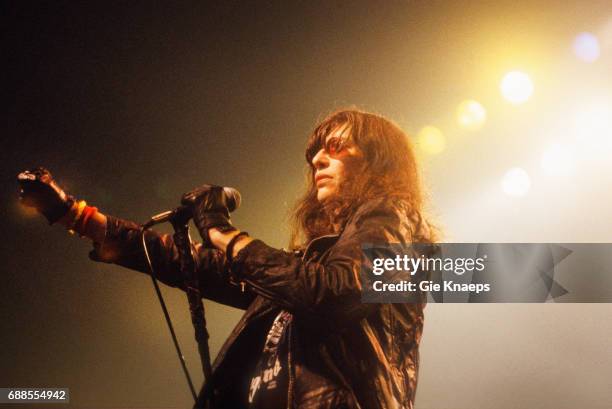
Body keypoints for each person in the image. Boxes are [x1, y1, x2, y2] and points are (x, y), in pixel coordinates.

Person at [18, 108, 438, 409]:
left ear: (378, 160)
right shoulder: (304, 269)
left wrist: (223, 232)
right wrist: (75, 214)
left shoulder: (394, 217)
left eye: (335, 147)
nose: (317, 160)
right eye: (313, 154)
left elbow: (332, 294)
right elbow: (196, 265)